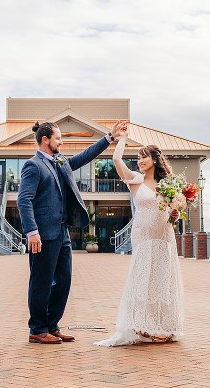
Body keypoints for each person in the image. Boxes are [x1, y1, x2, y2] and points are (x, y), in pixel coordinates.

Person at [18, 119, 127, 344]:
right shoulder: (33, 165)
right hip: (42, 234)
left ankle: (52, 324)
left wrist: (109, 137)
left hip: (62, 232)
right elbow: (24, 200)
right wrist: (32, 232)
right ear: (45, 140)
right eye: (58, 138)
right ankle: (37, 329)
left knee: (64, 280)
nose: (61, 142)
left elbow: (85, 156)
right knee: (41, 282)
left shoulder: (60, 161)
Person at [95, 128, 185, 346]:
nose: (140, 160)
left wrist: (176, 213)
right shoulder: (135, 179)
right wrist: (122, 139)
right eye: (138, 157)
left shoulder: (168, 184)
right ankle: (140, 326)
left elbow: (174, 213)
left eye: (144, 156)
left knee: (162, 279)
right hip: (143, 234)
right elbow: (116, 159)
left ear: (155, 159)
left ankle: (163, 327)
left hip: (164, 235)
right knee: (143, 277)